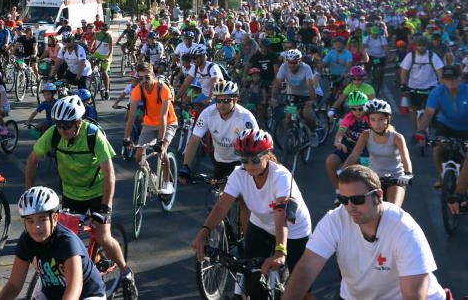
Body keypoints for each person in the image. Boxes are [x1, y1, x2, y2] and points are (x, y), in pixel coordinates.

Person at [282, 165, 445, 300]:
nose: (350, 207)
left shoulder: (404, 229)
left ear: (378, 196)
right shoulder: (336, 219)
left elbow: (415, 295)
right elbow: (306, 268)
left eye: (357, 200)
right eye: (344, 200)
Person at [25, 96, 136, 290]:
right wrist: (28, 192)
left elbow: (109, 173)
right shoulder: (54, 134)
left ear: (78, 122)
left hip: (96, 193)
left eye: (66, 126)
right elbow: (32, 159)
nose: (62, 130)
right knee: (60, 239)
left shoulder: (93, 136)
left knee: (103, 236)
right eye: (59, 125)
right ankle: (84, 266)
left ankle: (126, 272)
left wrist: (105, 208)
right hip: (71, 193)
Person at [191, 129, 313, 300]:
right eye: (244, 160)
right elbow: (222, 206)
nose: (249, 165)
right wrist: (204, 232)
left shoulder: (281, 176)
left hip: (293, 230)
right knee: (251, 280)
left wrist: (280, 251)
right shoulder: (239, 174)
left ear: (267, 155)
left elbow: (281, 215)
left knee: (302, 289)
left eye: (255, 159)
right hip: (261, 225)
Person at [0, 187, 109, 300]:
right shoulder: (26, 240)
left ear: (54, 218)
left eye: (42, 219)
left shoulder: (67, 242)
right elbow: (14, 285)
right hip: (53, 293)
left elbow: (74, 287)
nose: (36, 226)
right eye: (30, 221)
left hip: (87, 294)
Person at [180, 79, 258, 186]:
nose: (221, 104)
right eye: (218, 100)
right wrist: (186, 166)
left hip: (241, 162)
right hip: (220, 161)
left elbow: (257, 146)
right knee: (221, 197)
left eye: (226, 100)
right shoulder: (208, 113)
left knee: (242, 197)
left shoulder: (246, 118)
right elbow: (194, 140)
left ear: (235, 100)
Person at [342, 99, 412, 207]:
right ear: (369, 120)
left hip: (396, 178)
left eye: (381, 119)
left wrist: (408, 174)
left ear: (387, 119)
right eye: (373, 120)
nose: (377, 124)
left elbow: (405, 157)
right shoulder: (365, 135)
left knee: (393, 210)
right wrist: (343, 170)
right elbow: (354, 155)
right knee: (364, 208)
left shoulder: (397, 137)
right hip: (374, 178)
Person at [124, 62, 178, 194]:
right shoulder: (138, 90)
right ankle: (151, 175)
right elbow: (131, 116)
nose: (144, 81)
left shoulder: (163, 88)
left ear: (153, 75)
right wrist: (126, 138)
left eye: (147, 77)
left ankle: (167, 183)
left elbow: (164, 117)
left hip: (168, 122)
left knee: (162, 151)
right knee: (138, 156)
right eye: (140, 78)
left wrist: (159, 142)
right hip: (149, 123)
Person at [416, 65, 468, 186]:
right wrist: (421, 130)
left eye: (454, 78)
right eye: (447, 79)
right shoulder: (437, 92)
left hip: (466, 128)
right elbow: (428, 113)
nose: (451, 82)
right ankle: (442, 175)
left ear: (460, 78)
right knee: (437, 148)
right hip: (446, 126)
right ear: (443, 79)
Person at [327, 91, 371, 192]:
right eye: (353, 109)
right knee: (330, 161)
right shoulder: (349, 117)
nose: (357, 112)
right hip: (348, 147)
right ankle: (339, 190)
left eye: (360, 108)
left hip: (365, 150)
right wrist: (338, 142)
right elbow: (341, 131)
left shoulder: (370, 118)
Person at [400, 37, 444, 132]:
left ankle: (432, 120)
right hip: (413, 87)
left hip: (431, 86)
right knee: (414, 110)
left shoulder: (432, 56)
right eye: (419, 45)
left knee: (434, 108)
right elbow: (404, 72)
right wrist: (403, 85)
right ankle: (415, 133)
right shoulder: (410, 56)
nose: (421, 48)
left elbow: (439, 71)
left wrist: (441, 85)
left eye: (423, 45)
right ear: (415, 46)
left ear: (427, 46)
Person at [270, 48, 319, 131]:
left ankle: (314, 133)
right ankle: (292, 136)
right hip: (293, 93)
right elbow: (277, 82)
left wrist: (312, 100)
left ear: (300, 61)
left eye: (295, 62)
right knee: (288, 117)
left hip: (307, 94)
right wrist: (273, 98)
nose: (292, 65)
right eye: (290, 62)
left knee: (307, 115)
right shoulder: (284, 66)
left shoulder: (306, 68)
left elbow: (310, 85)